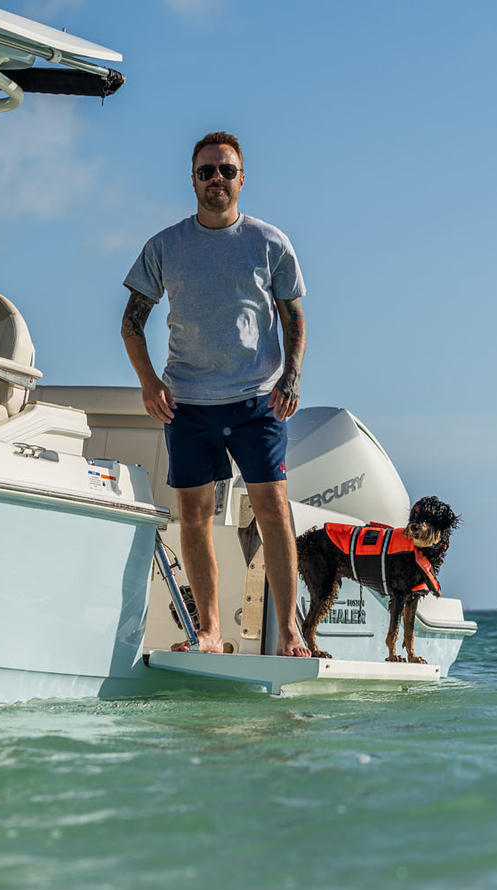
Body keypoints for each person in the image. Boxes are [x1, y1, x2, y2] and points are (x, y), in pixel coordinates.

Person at [120, 130, 311, 658]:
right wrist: (149, 383)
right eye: (207, 171)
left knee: (273, 509)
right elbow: (131, 324)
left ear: (242, 179)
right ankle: (208, 631)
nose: (217, 180)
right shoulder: (165, 246)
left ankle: (291, 633)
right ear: (194, 180)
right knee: (196, 515)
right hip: (188, 402)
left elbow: (293, 315)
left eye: (226, 170)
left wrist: (292, 379)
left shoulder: (269, 242)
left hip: (258, 400)